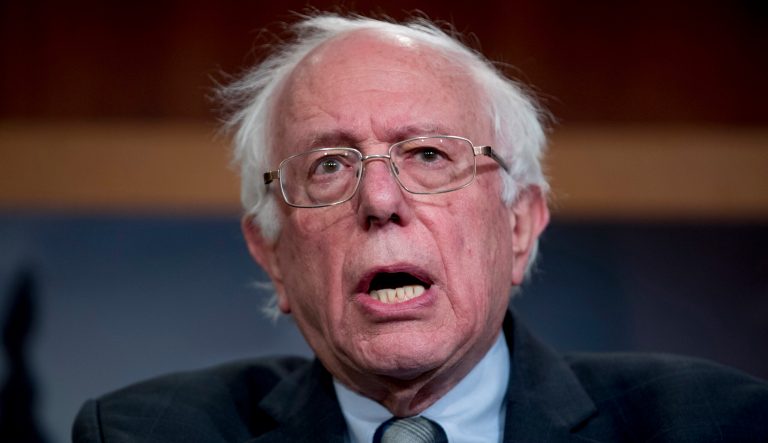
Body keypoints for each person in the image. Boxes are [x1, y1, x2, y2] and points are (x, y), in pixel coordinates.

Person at [73, 13, 768, 442]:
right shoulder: (144, 432)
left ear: (520, 226)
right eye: (328, 166)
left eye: (429, 155)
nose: (379, 199)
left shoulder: (716, 422)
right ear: (273, 254)